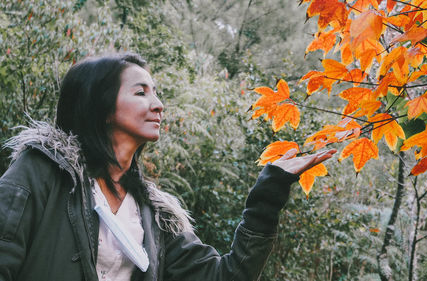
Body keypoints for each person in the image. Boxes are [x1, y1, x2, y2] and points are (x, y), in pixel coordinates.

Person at [0, 53, 336, 281]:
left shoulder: (154, 215)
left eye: (156, 93)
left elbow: (226, 275)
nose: (158, 105)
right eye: (141, 92)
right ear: (100, 106)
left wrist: (270, 190)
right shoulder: (43, 171)